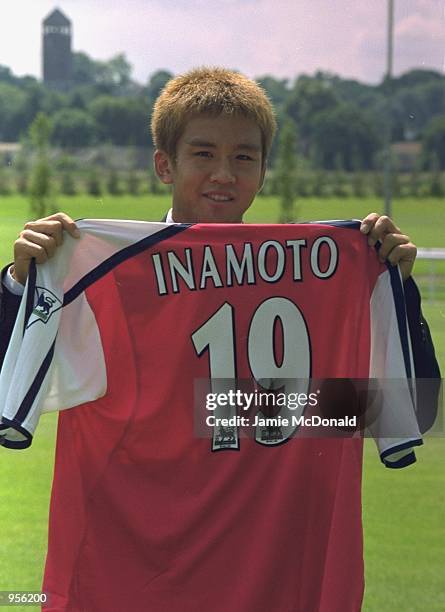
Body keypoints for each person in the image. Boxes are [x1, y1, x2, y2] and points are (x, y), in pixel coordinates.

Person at [0, 67, 440, 611]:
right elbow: (9, 393)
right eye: (204, 154)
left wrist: (396, 289)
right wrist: (21, 286)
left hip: (275, 579)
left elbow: (405, 411)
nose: (224, 174)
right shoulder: (107, 276)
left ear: (264, 170)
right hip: (137, 581)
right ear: (165, 164)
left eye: (244, 157)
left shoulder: (330, 272)